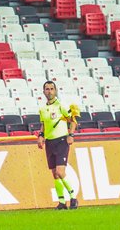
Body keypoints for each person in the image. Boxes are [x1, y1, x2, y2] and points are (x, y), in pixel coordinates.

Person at [37, 81, 79, 210]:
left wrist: (71, 135)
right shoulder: (42, 109)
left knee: (60, 172)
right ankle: (61, 202)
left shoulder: (61, 105)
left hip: (61, 141)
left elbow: (73, 121)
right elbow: (44, 124)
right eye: (47, 89)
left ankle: (73, 197)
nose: (49, 91)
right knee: (55, 174)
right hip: (50, 142)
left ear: (55, 91)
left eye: (51, 89)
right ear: (43, 92)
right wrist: (41, 136)